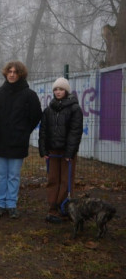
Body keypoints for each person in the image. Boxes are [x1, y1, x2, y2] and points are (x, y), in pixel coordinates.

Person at [0, 61, 42, 219]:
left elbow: (36, 115)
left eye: (15, 72)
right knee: (0, 175)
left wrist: (25, 131)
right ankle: (0, 204)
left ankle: (11, 204)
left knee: (13, 175)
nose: (12, 74)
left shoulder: (29, 95)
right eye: (10, 72)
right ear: (6, 73)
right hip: (0, 141)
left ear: (21, 74)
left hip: (18, 141)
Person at [39, 77, 83, 224]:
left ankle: (64, 208)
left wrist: (70, 153)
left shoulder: (74, 109)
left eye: (61, 89)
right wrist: (43, 150)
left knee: (66, 180)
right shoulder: (48, 110)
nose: (58, 92)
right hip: (52, 152)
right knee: (52, 179)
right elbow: (43, 131)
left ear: (66, 91)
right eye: (56, 89)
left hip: (66, 153)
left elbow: (75, 132)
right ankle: (52, 208)